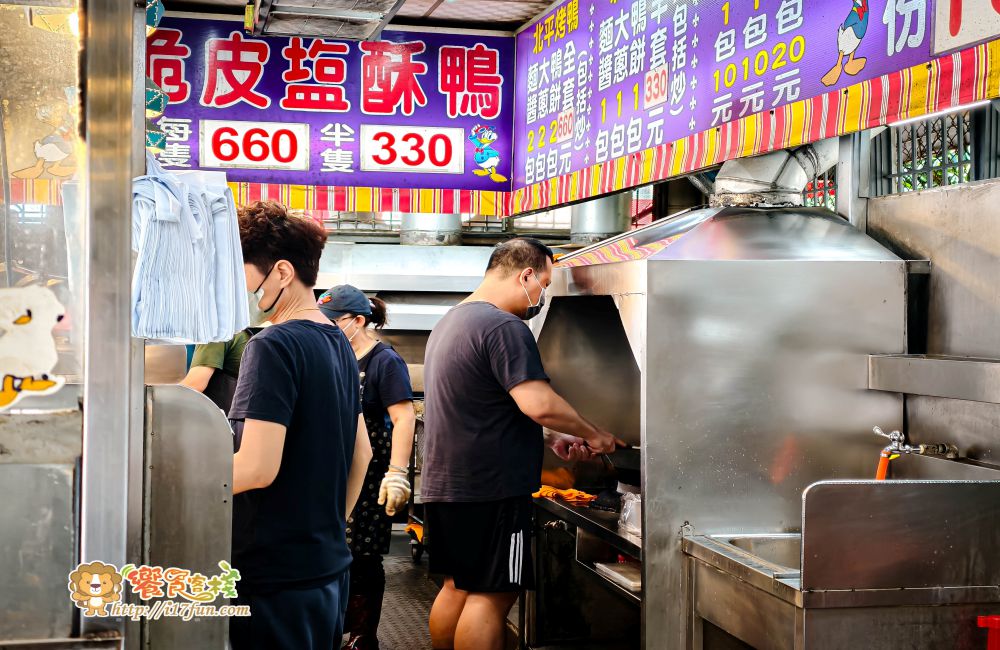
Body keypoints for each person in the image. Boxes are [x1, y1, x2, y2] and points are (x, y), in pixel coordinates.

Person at [422, 237, 621, 650]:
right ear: (526, 274)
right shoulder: (504, 326)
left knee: (456, 588)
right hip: (492, 490)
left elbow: (483, 406)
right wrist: (593, 433)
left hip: (447, 486)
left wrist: (551, 436)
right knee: (492, 597)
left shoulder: (451, 322)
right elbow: (538, 403)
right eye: (544, 284)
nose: (542, 296)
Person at [227, 201, 373, 650]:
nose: (241, 287)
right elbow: (361, 453)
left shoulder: (272, 345)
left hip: (273, 578)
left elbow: (256, 468)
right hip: (325, 570)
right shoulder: (338, 342)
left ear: (283, 272)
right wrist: (323, 528)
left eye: (245, 274)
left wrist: (171, 489)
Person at [318, 284, 416, 650]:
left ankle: (362, 638)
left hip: (372, 475)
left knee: (363, 557)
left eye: (334, 321)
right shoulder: (334, 354)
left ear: (358, 321)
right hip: (336, 472)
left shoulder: (383, 361)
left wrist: (397, 473)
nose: (327, 328)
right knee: (335, 555)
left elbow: (404, 418)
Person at [179, 330, 252, 412]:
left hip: (216, 419)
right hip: (238, 418)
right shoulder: (240, 332)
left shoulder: (216, 333)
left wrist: (162, 396)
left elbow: (194, 386)